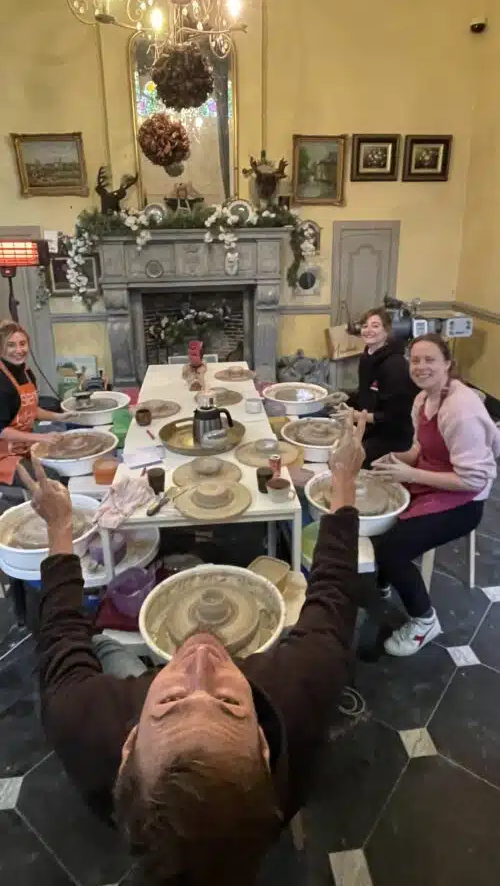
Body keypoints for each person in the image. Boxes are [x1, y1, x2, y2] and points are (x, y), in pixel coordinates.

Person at [20, 417, 365, 886]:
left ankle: (133, 669)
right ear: (264, 745)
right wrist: (343, 479)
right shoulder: (301, 690)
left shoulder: (82, 719)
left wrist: (59, 525)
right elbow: (333, 590)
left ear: (128, 746)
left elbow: (60, 632)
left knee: (107, 649)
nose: (201, 656)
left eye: (170, 702)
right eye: (229, 703)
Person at [370, 334, 500, 657]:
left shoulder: (460, 409)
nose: (421, 366)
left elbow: (473, 478)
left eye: (430, 360)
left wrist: (411, 475)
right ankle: (383, 582)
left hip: (464, 500)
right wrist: (395, 459)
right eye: (415, 360)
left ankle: (424, 621)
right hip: (432, 478)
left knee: (394, 550)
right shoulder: (423, 400)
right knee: (375, 513)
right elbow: (420, 449)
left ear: (447, 365)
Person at [0, 320, 69, 488]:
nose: (19, 350)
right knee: (51, 479)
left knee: (64, 465)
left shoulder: (26, 373)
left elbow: (29, 410)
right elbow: (1, 430)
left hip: (23, 446)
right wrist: (42, 437)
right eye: (11, 345)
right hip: (4, 456)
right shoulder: (1, 382)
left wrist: (60, 416)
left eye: (22, 344)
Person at [347, 307, 417, 468]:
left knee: (350, 459)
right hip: (370, 426)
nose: (368, 330)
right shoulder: (367, 357)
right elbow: (367, 394)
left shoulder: (395, 366)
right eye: (365, 326)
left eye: (375, 326)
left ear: (387, 331)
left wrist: (358, 417)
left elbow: (396, 417)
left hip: (392, 436)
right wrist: (346, 400)